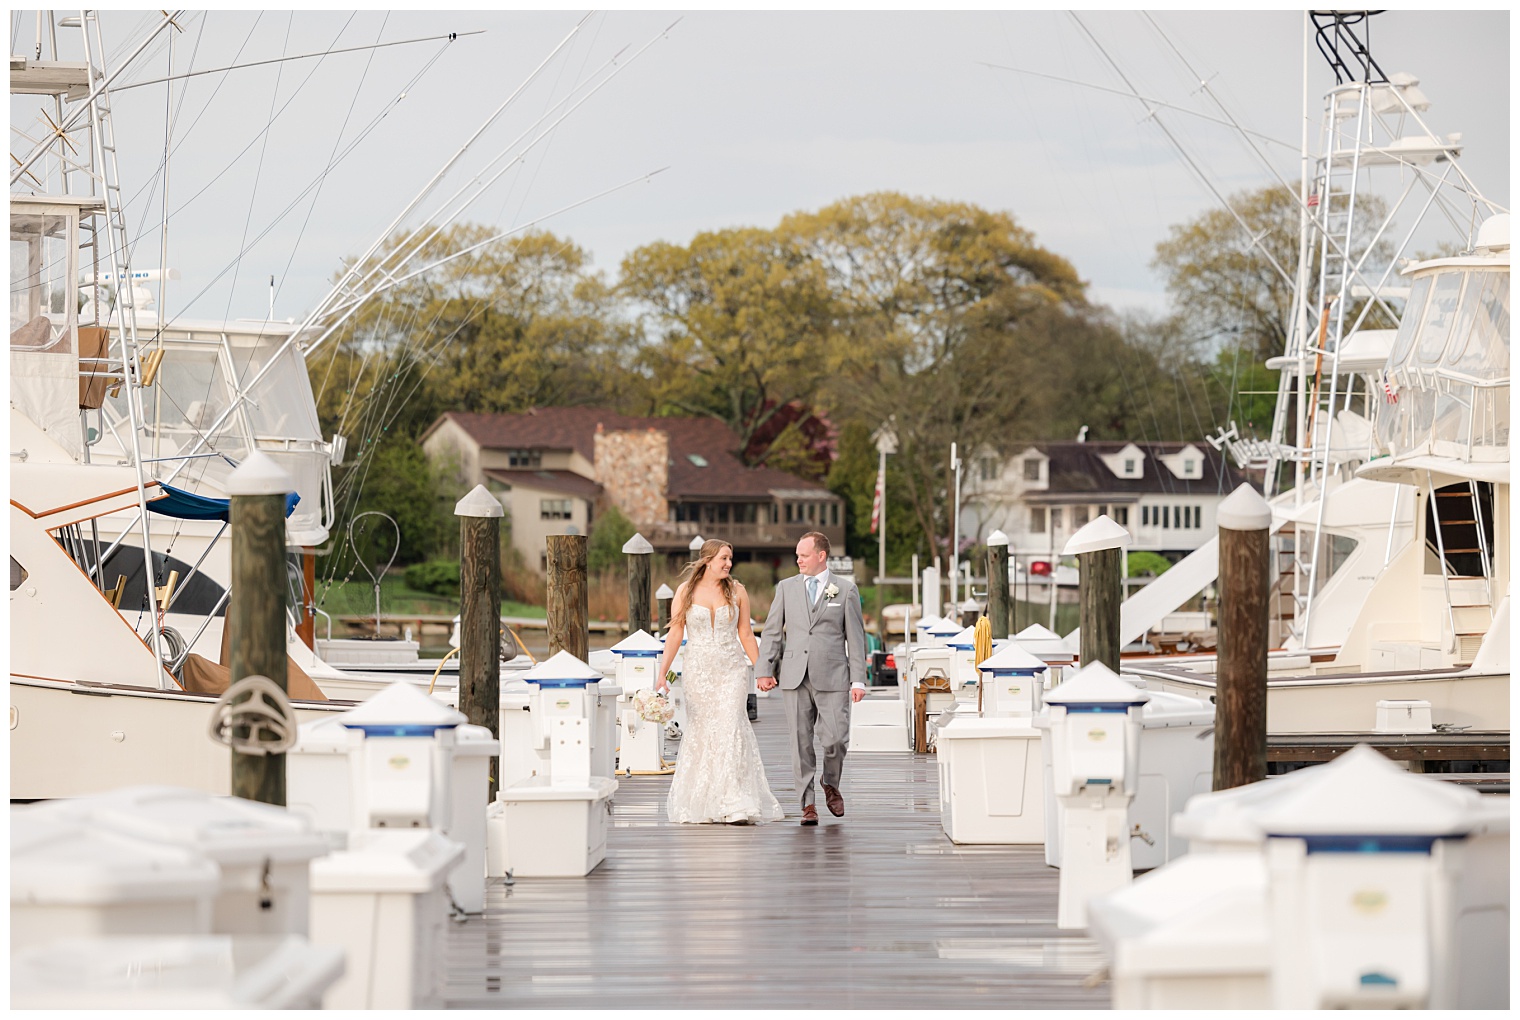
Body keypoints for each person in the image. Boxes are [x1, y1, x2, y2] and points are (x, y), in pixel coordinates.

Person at [655, 540, 783, 825]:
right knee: (703, 732)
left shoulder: (738, 591)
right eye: (724, 558)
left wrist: (763, 670)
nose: (729, 563)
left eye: (730, 559)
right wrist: (662, 673)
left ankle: (734, 802)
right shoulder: (685, 591)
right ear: (708, 560)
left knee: (730, 727)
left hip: (732, 670)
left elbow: (746, 634)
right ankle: (705, 800)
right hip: (698, 671)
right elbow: (675, 633)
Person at [755, 532, 868, 826]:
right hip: (794, 675)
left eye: (803, 555)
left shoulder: (845, 590)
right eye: (797, 554)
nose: (798, 560)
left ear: (821, 556)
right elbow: (771, 631)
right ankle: (807, 804)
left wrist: (859, 680)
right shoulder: (785, 588)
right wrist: (764, 669)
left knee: (836, 739)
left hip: (833, 675)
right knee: (800, 742)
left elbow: (856, 638)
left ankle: (831, 782)